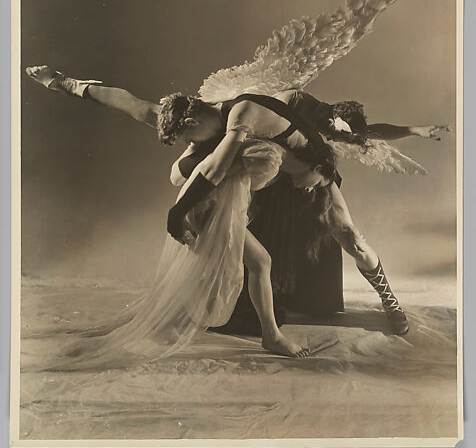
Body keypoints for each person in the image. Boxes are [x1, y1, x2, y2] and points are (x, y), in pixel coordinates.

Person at [26, 65, 449, 364]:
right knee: (202, 188)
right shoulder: (212, 114)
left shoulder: (296, 121)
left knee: (349, 235)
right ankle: (259, 324)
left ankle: (389, 300)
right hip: (259, 170)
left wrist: (416, 130)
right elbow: (128, 102)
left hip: (306, 170)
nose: (187, 142)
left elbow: (364, 134)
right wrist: (63, 82)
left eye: (188, 135)